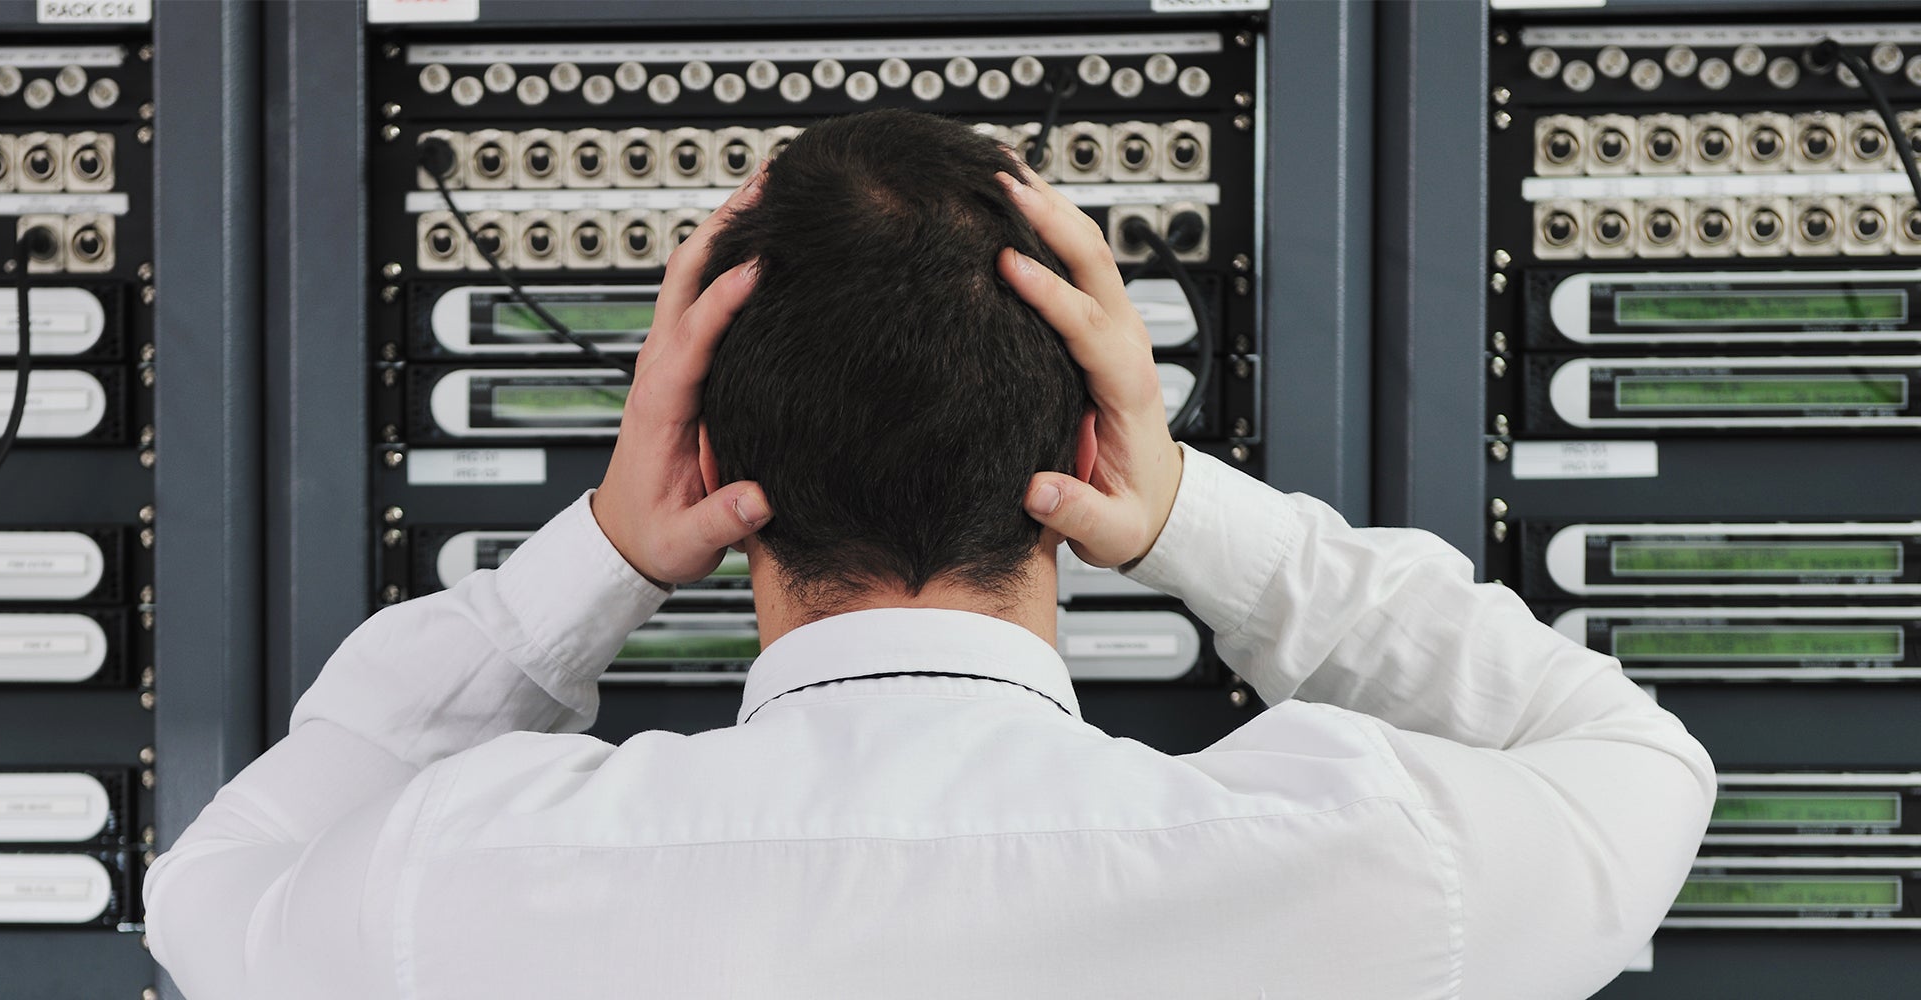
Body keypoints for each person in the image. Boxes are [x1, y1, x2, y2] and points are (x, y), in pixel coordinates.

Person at [144, 110, 1714, 1000]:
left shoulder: (464, 877)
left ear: (704, 459)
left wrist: (607, 548)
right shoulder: (1374, 862)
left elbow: (212, 887)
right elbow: (1630, 752)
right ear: (1087, 454)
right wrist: (1184, 509)